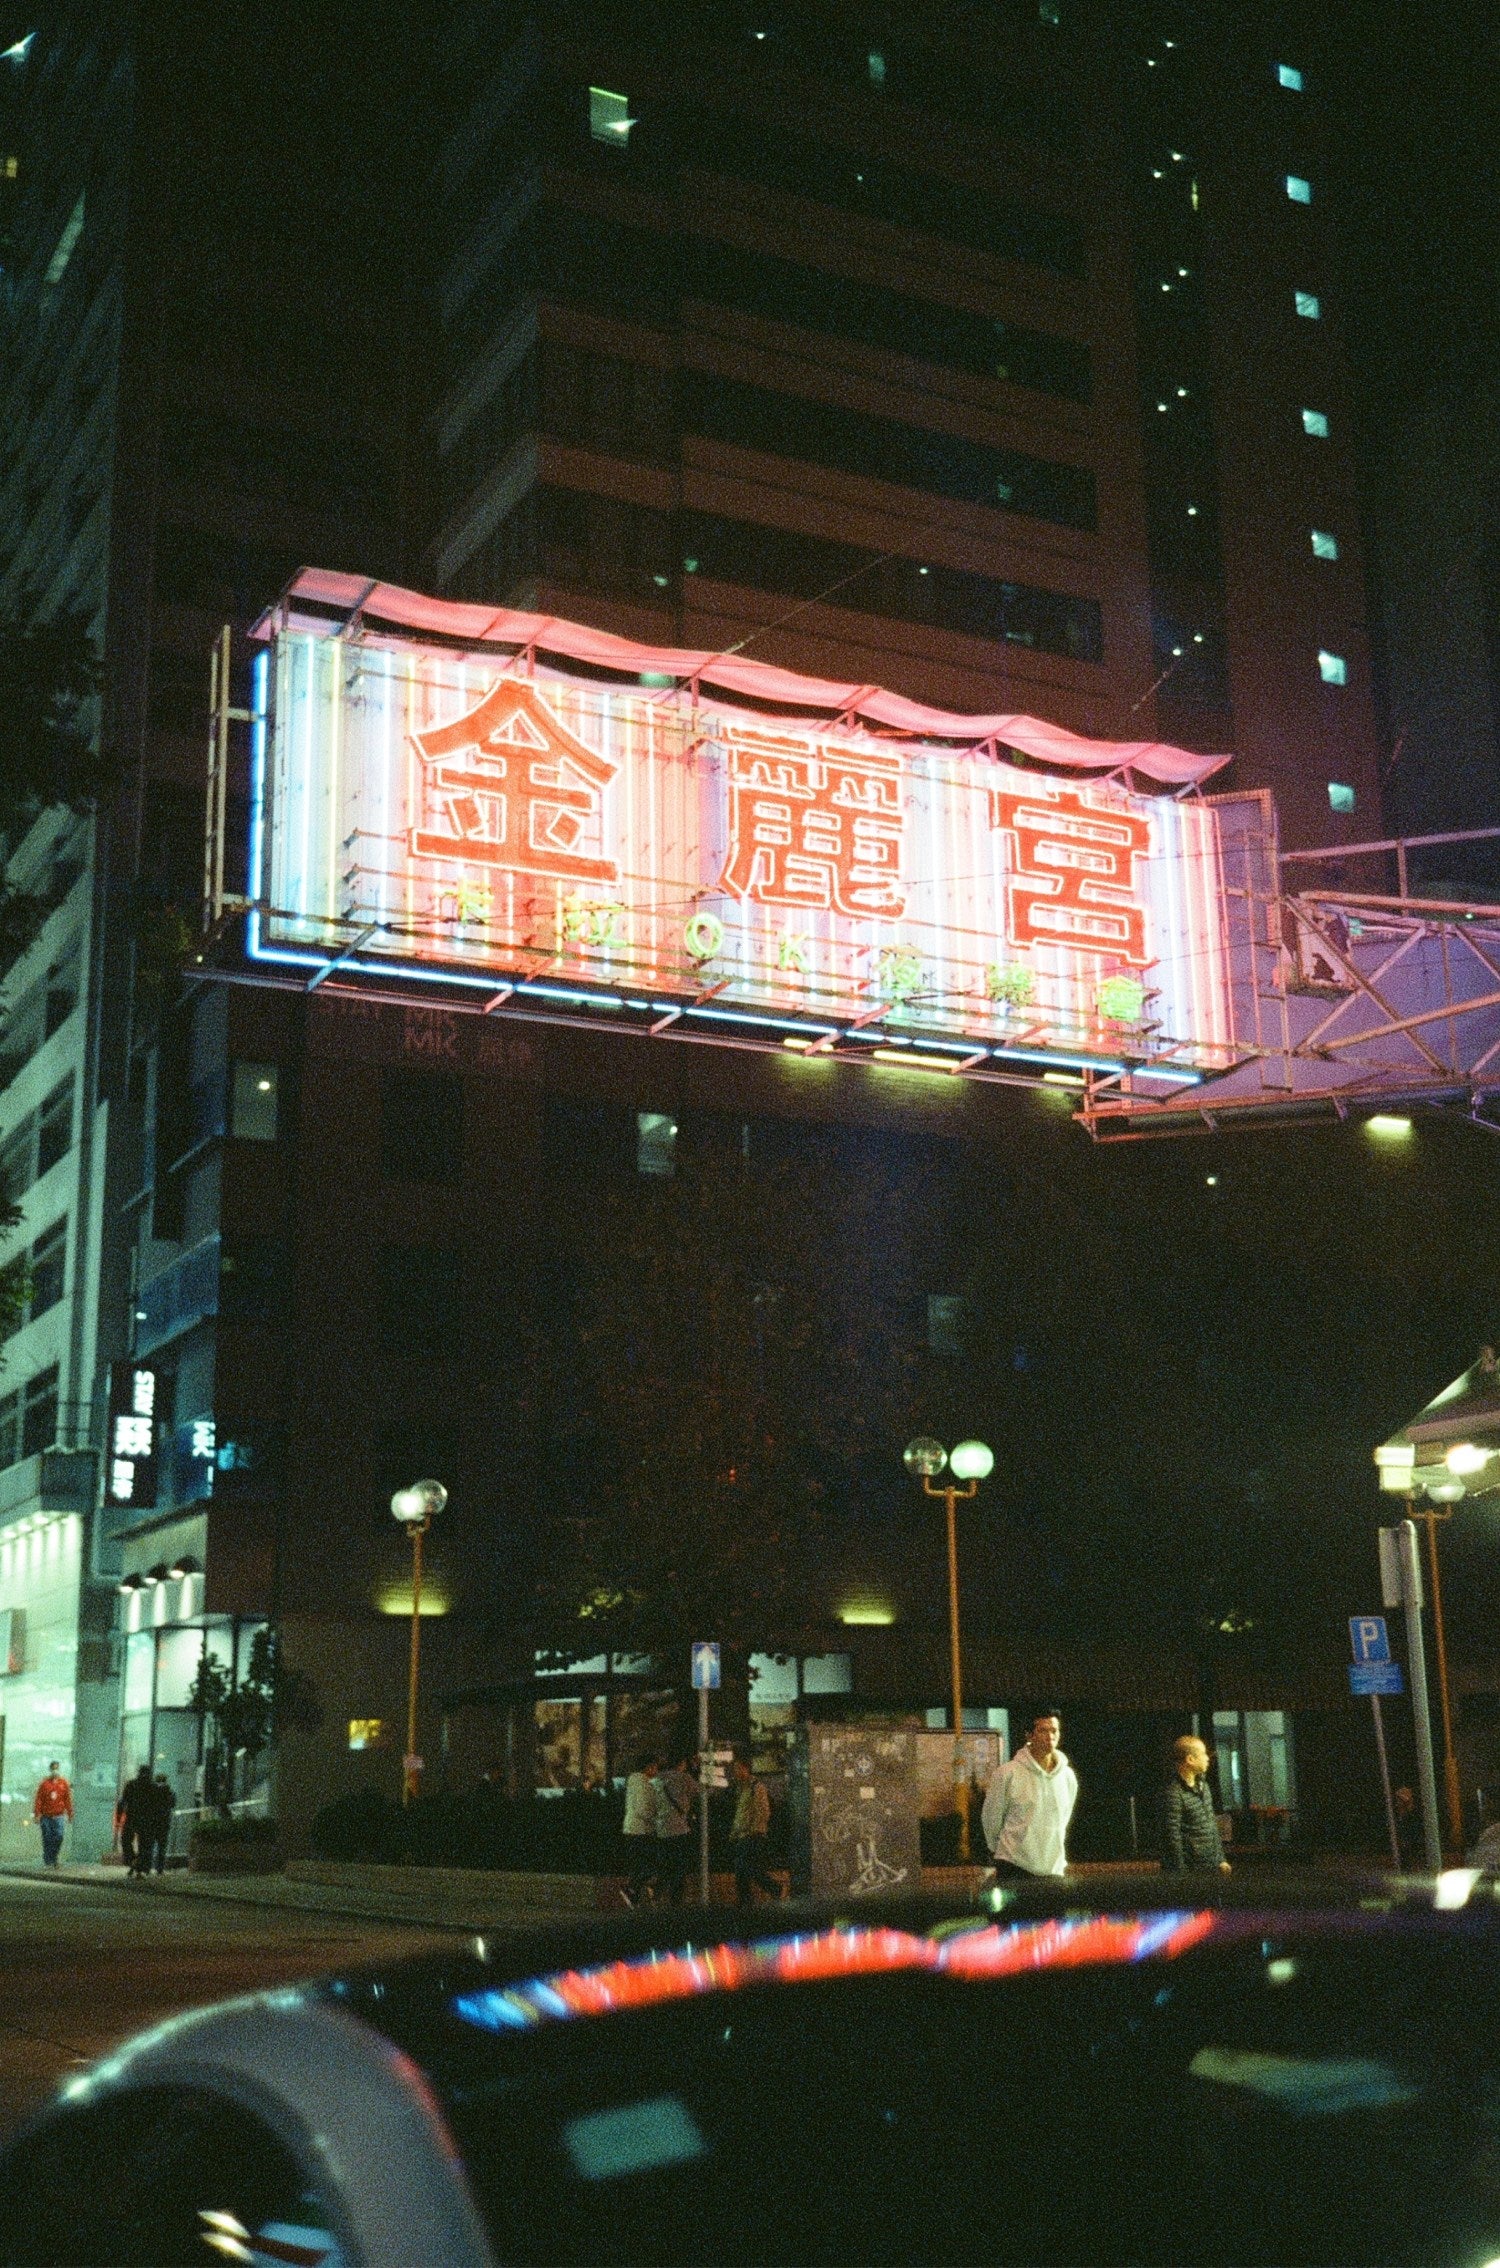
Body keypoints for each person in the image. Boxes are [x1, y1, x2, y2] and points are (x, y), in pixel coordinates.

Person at [981, 1713, 1078, 1880]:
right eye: (1043, 1730)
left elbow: (1064, 1819)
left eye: (1054, 1730)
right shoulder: (1007, 1773)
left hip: (1053, 1870)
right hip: (1014, 1866)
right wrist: (1000, 1850)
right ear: (1029, 1735)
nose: (1050, 1736)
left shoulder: (1067, 1776)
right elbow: (991, 1818)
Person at [1160, 1734, 1232, 1874]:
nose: (1207, 1758)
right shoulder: (1173, 1792)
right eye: (1203, 1754)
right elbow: (1171, 1836)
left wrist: (1221, 1859)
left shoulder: (1203, 1786)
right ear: (1190, 1759)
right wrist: (1180, 1872)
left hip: (1210, 1866)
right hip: (1191, 1868)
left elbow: (1212, 1825)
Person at [728, 1755, 780, 1905]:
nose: (735, 1772)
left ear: (746, 1768)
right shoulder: (742, 1788)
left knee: (747, 1868)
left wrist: (754, 1831)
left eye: (737, 1768)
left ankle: (775, 1888)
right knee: (742, 1872)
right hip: (742, 1835)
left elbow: (763, 1812)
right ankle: (746, 1903)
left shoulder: (756, 1787)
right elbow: (741, 1813)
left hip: (752, 1835)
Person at [655, 1747, 697, 1904]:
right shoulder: (684, 1778)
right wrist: (696, 1769)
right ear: (682, 1763)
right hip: (679, 1828)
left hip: (661, 1829)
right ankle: (676, 1898)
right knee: (679, 1865)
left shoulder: (658, 1778)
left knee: (665, 1863)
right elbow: (702, 1791)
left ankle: (659, 1890)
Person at [620, 1754, 659, 1906]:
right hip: (641, 1830)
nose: (656, 1770)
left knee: (639, 1865)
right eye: (655, 1766)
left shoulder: (633, 1781)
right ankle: (630, 1889)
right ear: (648, 1767)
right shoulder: (643, 1783)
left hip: (631, 1828)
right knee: (648, 1865)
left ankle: (633, 1897)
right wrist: (655, 1818)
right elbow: (643, 1809)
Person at [116, 1764, 155, 1877]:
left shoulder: (132, 1784)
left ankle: (133, 1861)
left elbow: (122, 1802)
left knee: (126, 1841)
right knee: (145, 1845)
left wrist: (119, 1817)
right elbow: (157, 1806)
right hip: (146, 1820)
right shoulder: (152, 1787)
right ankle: (139, 1865)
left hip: (132, 1818)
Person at [31, 1762, 73, 1868]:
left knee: (59, 1836)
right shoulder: (44, 1784)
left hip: (59, 1816)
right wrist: (37, 1814)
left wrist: (70, 1813)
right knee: (47, 1838)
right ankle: (48, 1859)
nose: (55, 1771)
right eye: (53, 1769)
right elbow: (39, 1799)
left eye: (57, 1769)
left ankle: (54, 1857)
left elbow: (67, 1799)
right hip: (46, 1817)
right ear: (50, 1770)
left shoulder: (63, 1783)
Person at [144, 1773, 176, 1876]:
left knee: (150, 1846)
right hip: (164, 1822)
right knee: (162, 1847)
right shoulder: (169, 1792)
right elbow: (172, 1804)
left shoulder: (151, 1792)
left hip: (152, 1822)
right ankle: (160, 1869)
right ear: (166, 1780)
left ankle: (147, 1868)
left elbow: (147, 1804)